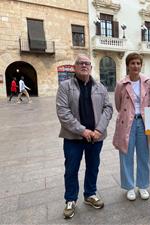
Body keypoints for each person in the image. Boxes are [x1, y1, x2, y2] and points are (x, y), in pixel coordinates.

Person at [56, 54, 113, 219]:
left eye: (87, 63)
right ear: (75, 67)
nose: (84, 65)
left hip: (96, 137)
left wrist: (99, 129)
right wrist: (82, 130)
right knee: (71, 169)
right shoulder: (65, 86)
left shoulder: (100, 87)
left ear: (91, 67)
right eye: (80, 63)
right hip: (73, 138)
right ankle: (70, 199)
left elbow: (108, 108)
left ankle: (90, 194)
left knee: (93, 166)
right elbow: (63, 112)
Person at [113, 53, 150, 201]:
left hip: (143, 122)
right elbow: (118, 105)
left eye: (138, 63)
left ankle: (143, 185)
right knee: (126, 154)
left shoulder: (148, 82)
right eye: (132, 63)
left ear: (141, 65)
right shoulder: (121, 84)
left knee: (144, 155)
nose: (135, 66)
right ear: (127, 65)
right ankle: (129, 187)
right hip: (127, 122)